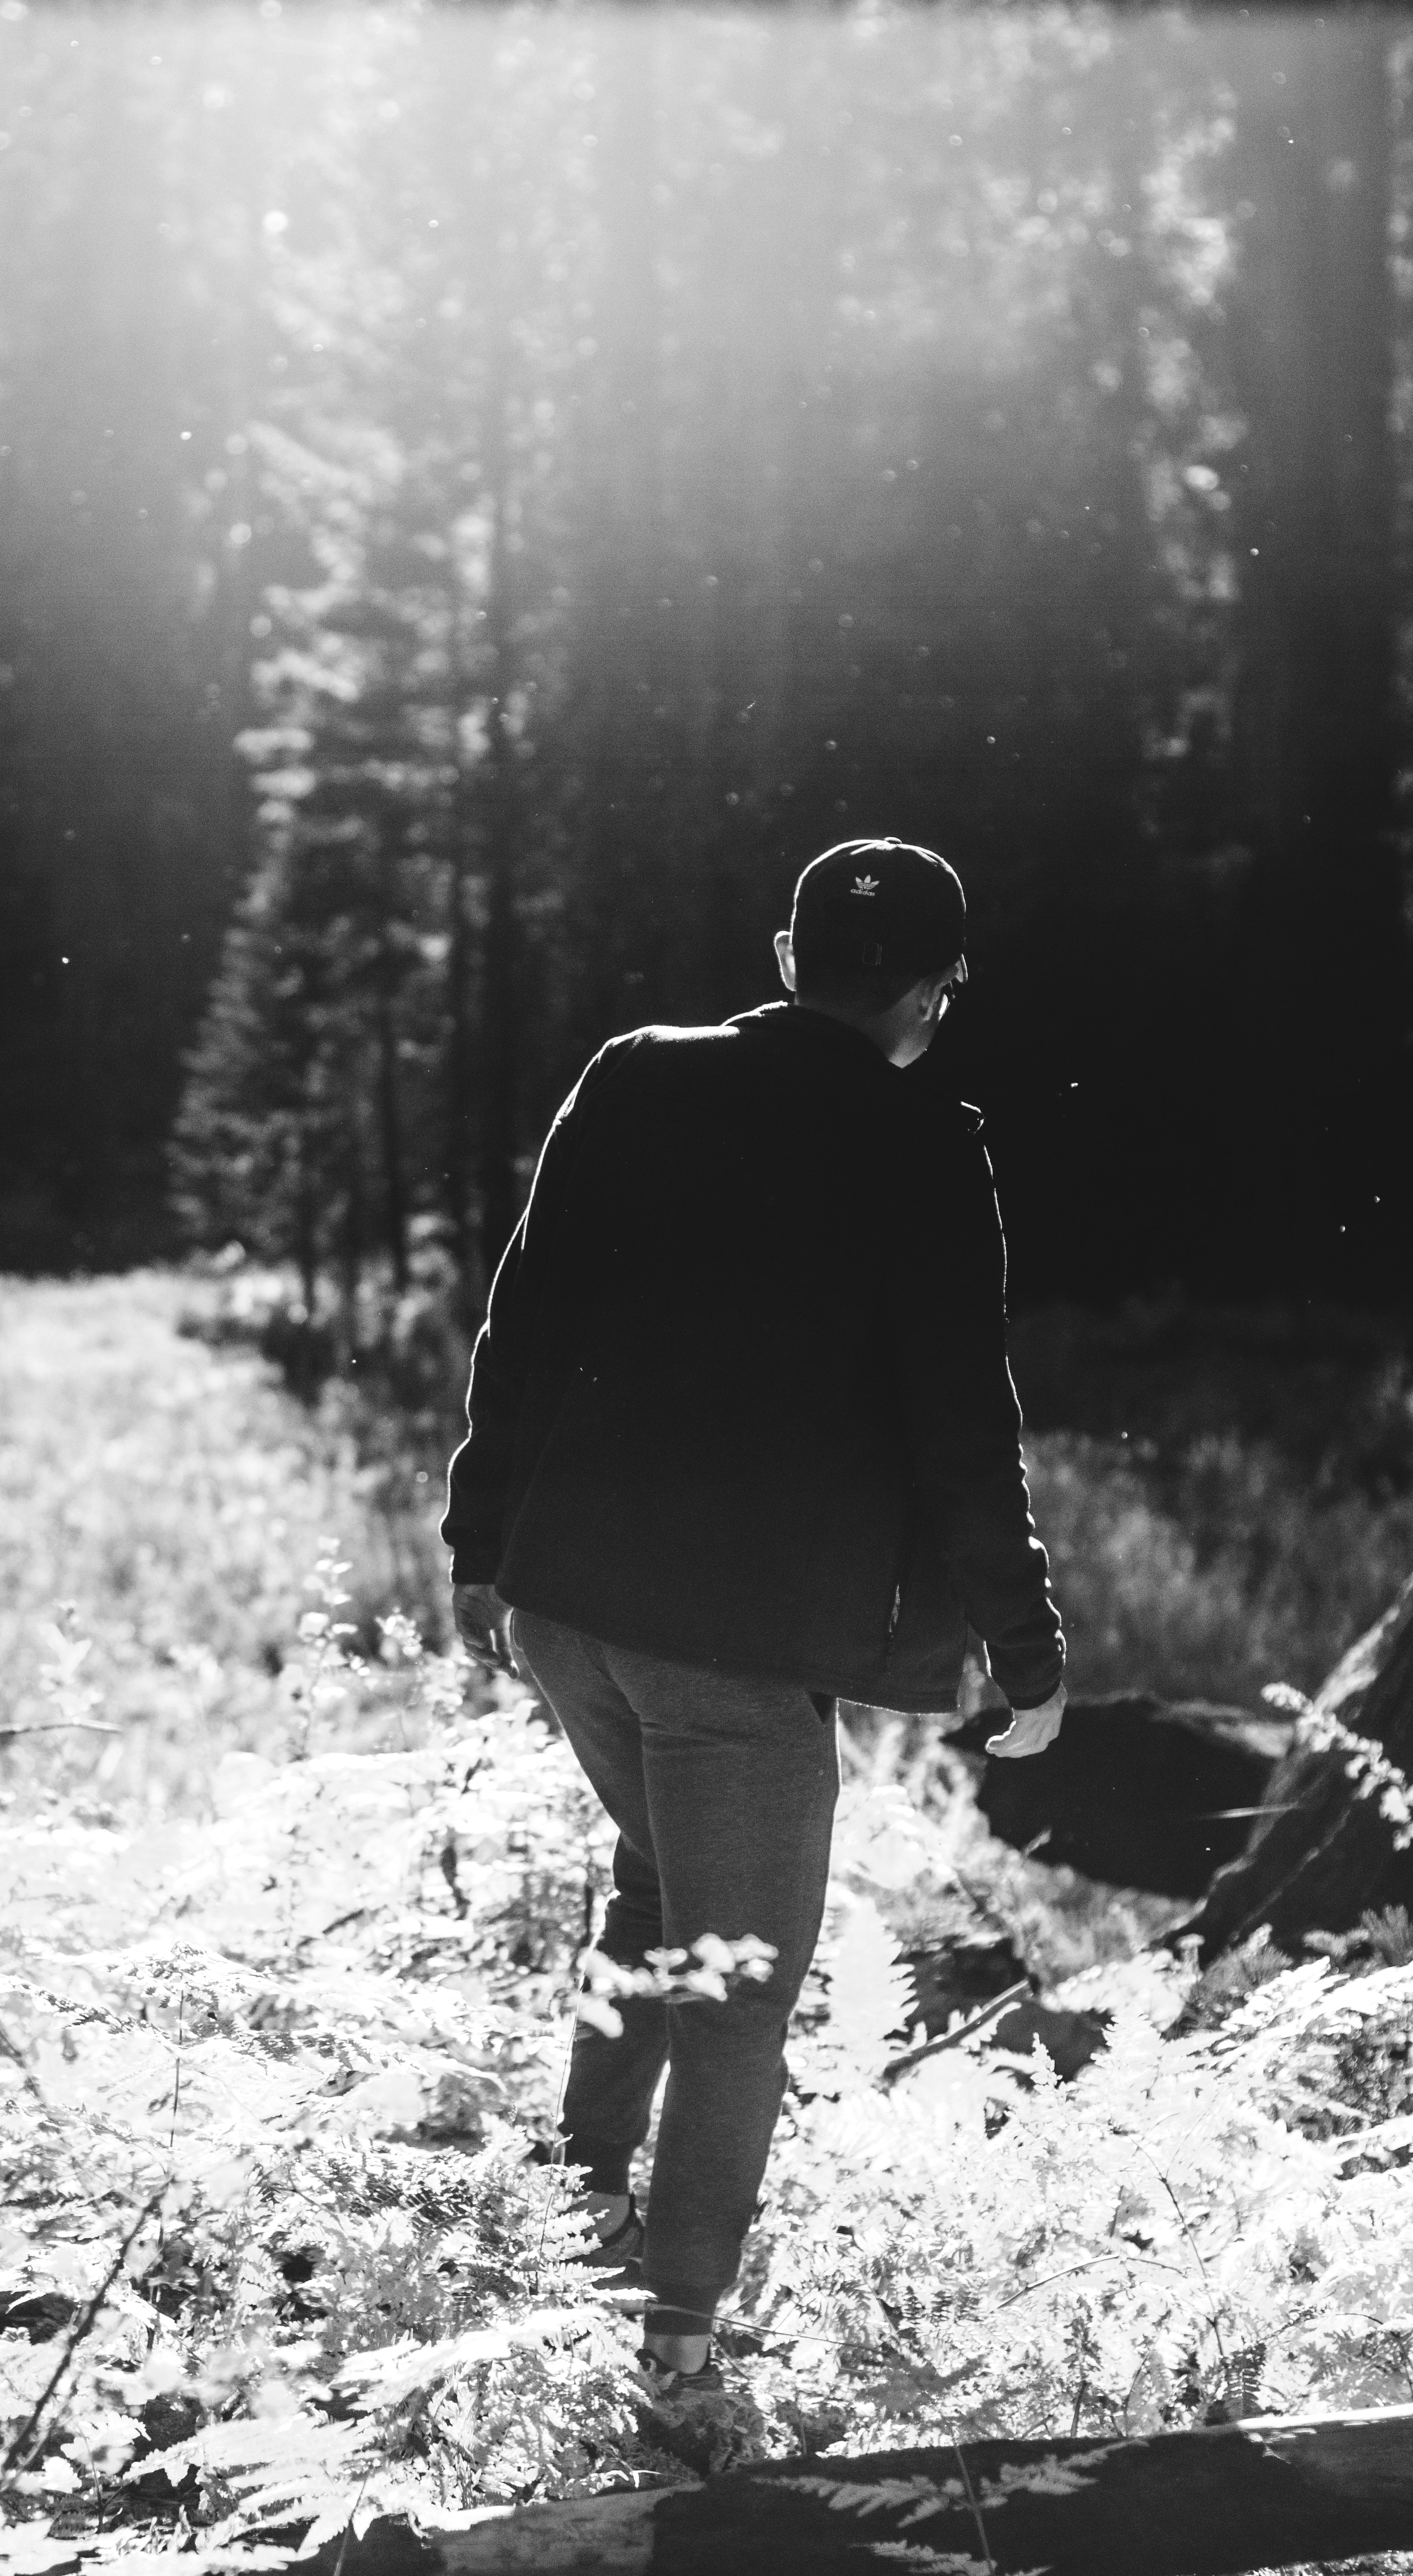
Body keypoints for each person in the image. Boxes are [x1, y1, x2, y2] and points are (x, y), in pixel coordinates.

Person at [442, 837, 1066, 2389]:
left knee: (652, 1899)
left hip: (566, 1605)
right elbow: (959, 1418)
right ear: (933, 993)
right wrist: (1027, 1641)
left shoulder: (634, 1074)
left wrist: (476, 1540)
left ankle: (573, 2224)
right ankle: (677, 2359)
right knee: (742, 1987)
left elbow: (528, 1313)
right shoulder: (926, 1141)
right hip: (729, 1653)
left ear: (788, 960)